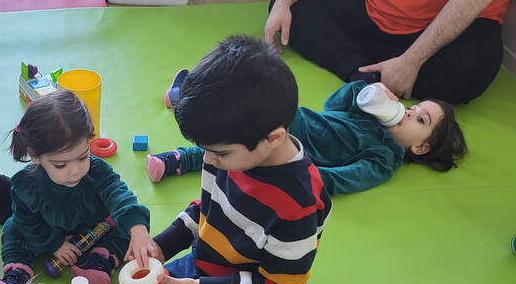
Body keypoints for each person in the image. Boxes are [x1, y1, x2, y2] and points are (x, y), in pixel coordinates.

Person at [99, 36, 332, 284]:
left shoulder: (298, 205)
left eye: (219, 153)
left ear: (273, 138)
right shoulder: (227, 154)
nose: (208, 161)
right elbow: (206, 210)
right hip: (203, 266)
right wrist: (163, 245)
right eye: (205, 150)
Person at [263, 0, 516, 103]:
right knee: (290, 5)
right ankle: (363, 77)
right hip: (379, 7)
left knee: (469, 73)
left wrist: (412, 60)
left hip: (456, 28)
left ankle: (388, 67)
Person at [151, 79, 467, 195]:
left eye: (420, 119)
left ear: (420, 147)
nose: (409, 113)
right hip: (292, 117)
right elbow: (333, 104)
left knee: (237, 140)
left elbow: (341, 179)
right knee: (246, 95)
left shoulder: (383, 159)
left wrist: (295, 175)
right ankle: (191, 92)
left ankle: (179, 158)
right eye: (412, 107)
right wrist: (368, 93)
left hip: (290, 146)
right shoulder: (368, 116)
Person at [0, 90, 158, 284]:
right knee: (13, 228)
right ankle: (17, 275)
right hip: (48, 230)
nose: (75, 171)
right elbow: (27, 221)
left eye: (83, 157)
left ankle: (99, 262)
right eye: (61, 165)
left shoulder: (97, 171)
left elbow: (119, 194)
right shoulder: (26, 184)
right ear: (35, 156)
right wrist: (54, 244)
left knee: (122, 222)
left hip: (95, 228)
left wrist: (138, 229)